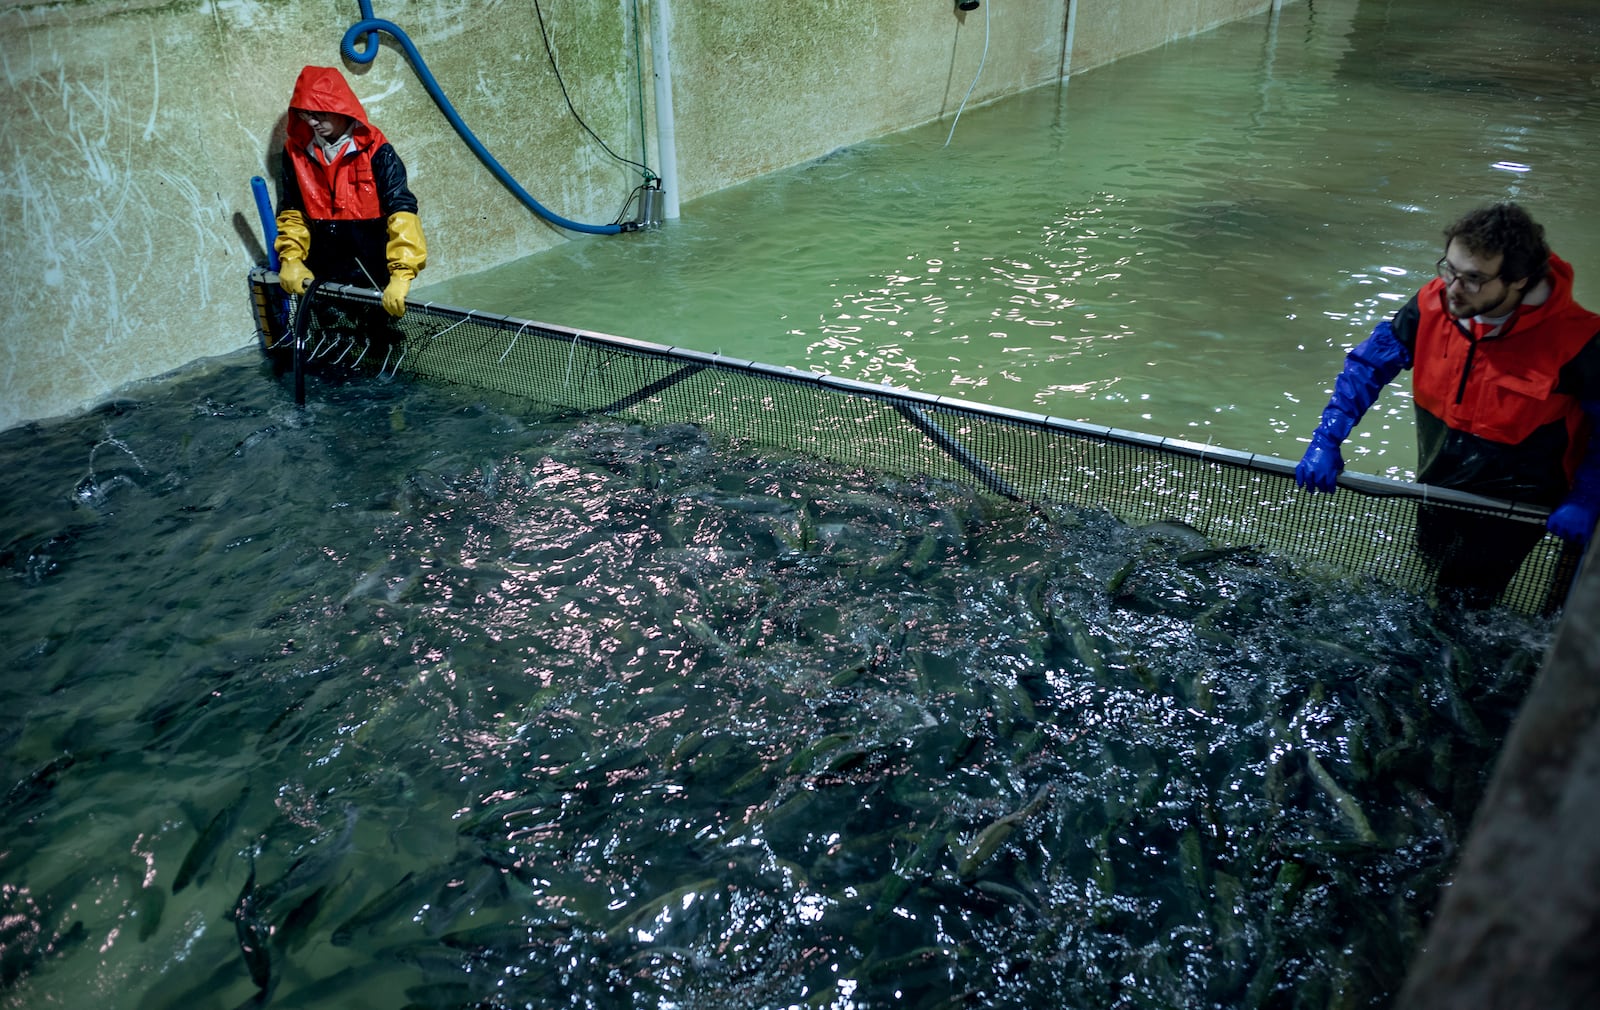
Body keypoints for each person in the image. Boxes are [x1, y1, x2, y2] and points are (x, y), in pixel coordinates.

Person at [1295, 202, 1600, 606]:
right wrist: (1326, 438)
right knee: (1430, 557)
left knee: (1462, 601)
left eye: (1473, 278)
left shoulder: (1578, 340)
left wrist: (1586, 496)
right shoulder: (1432, 304)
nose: (1453, 287)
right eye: (1450, 268)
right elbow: (1368, 365)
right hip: (1440, 475)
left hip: (1517, 498)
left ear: (1519, 281)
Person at [274, 65, 426, 319]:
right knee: (327, 342)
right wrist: (291, 259)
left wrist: (401, 274)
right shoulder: (296, 151)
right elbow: (292, 210)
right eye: (305, 115)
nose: (312, 123)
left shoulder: (378, 149)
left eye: (319, 114)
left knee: (380, 341)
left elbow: (402, 210)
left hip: (372, 272)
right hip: (320, 275)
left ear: (340, 108)